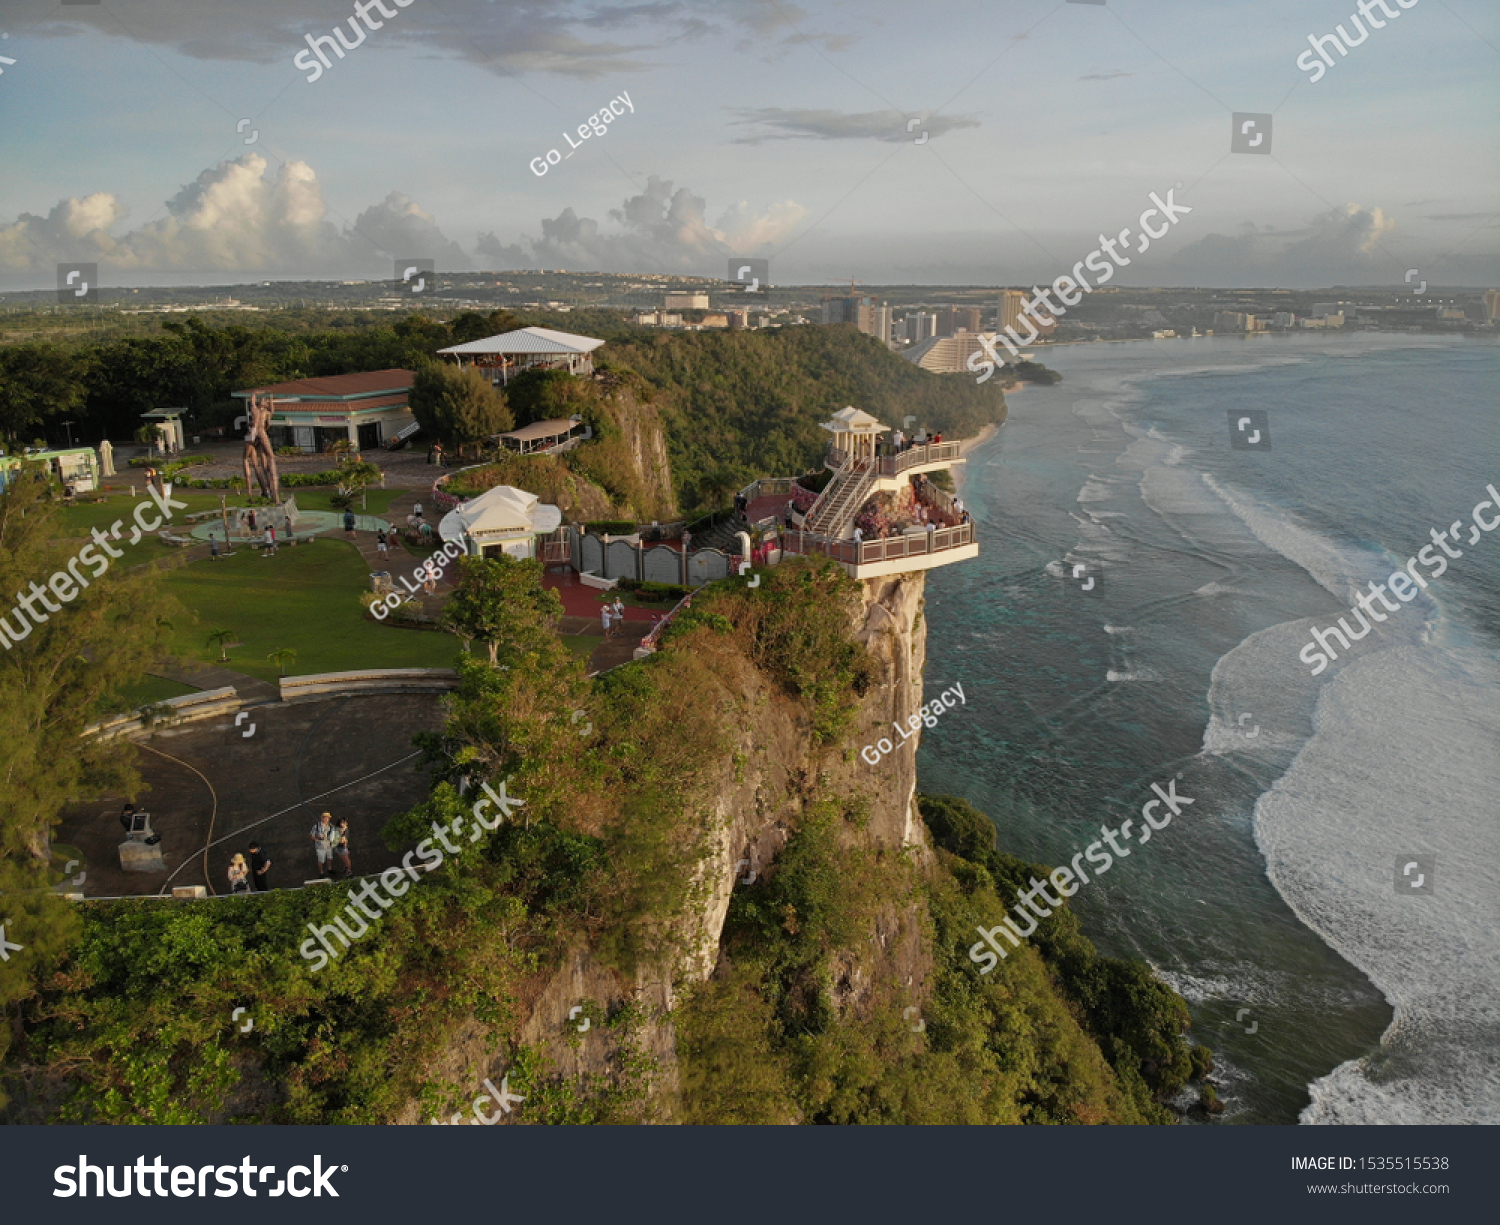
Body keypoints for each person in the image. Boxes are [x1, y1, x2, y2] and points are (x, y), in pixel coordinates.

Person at [311, 812, 334, 877]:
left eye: (328, 818)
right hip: (320, 847)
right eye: (324, 817)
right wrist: (317, 838)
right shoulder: (316, 826)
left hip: (329, 846)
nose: (326, 819)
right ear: (321, 818)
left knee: (330, 858)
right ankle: (321, 872)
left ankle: (330, 868)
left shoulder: (331, 826)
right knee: (321, 861)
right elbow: (311, 836)